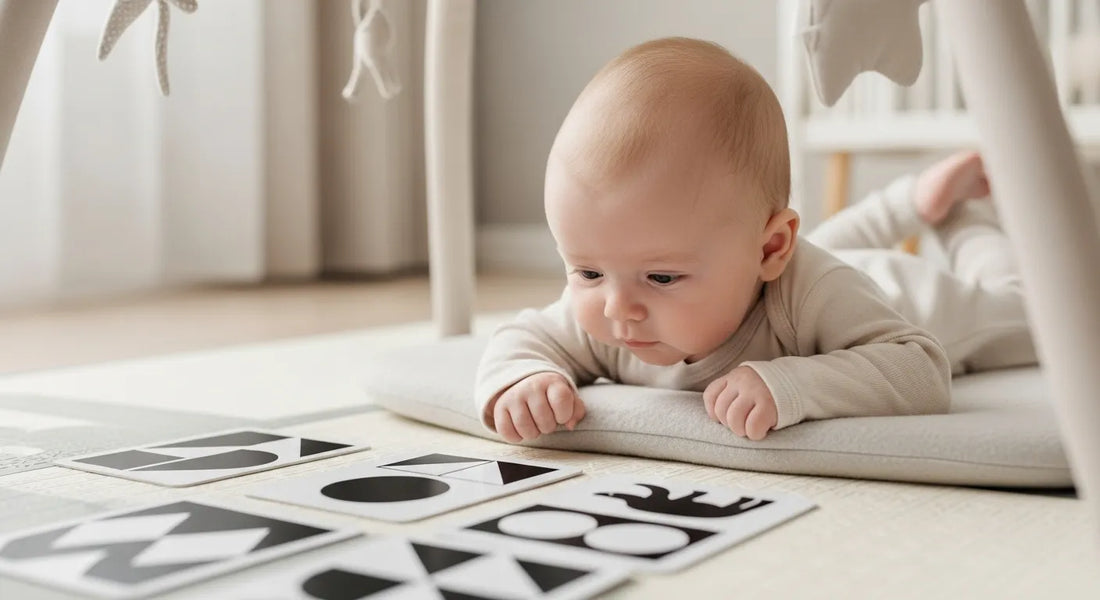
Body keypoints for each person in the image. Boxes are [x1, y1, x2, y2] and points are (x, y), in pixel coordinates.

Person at [475, 37, 1034, 443]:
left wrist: (793, 383)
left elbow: (921, 371)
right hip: (811, 264)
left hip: (912, 297)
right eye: (586, 271)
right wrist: (524, 379)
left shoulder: (816, 290)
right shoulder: (614, 301)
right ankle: (913, 203)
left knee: (1029, 309)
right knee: (823, 248)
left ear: (770, 249)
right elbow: (523, 338)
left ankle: (964, 223)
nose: (617, 309)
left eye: (662, 277)